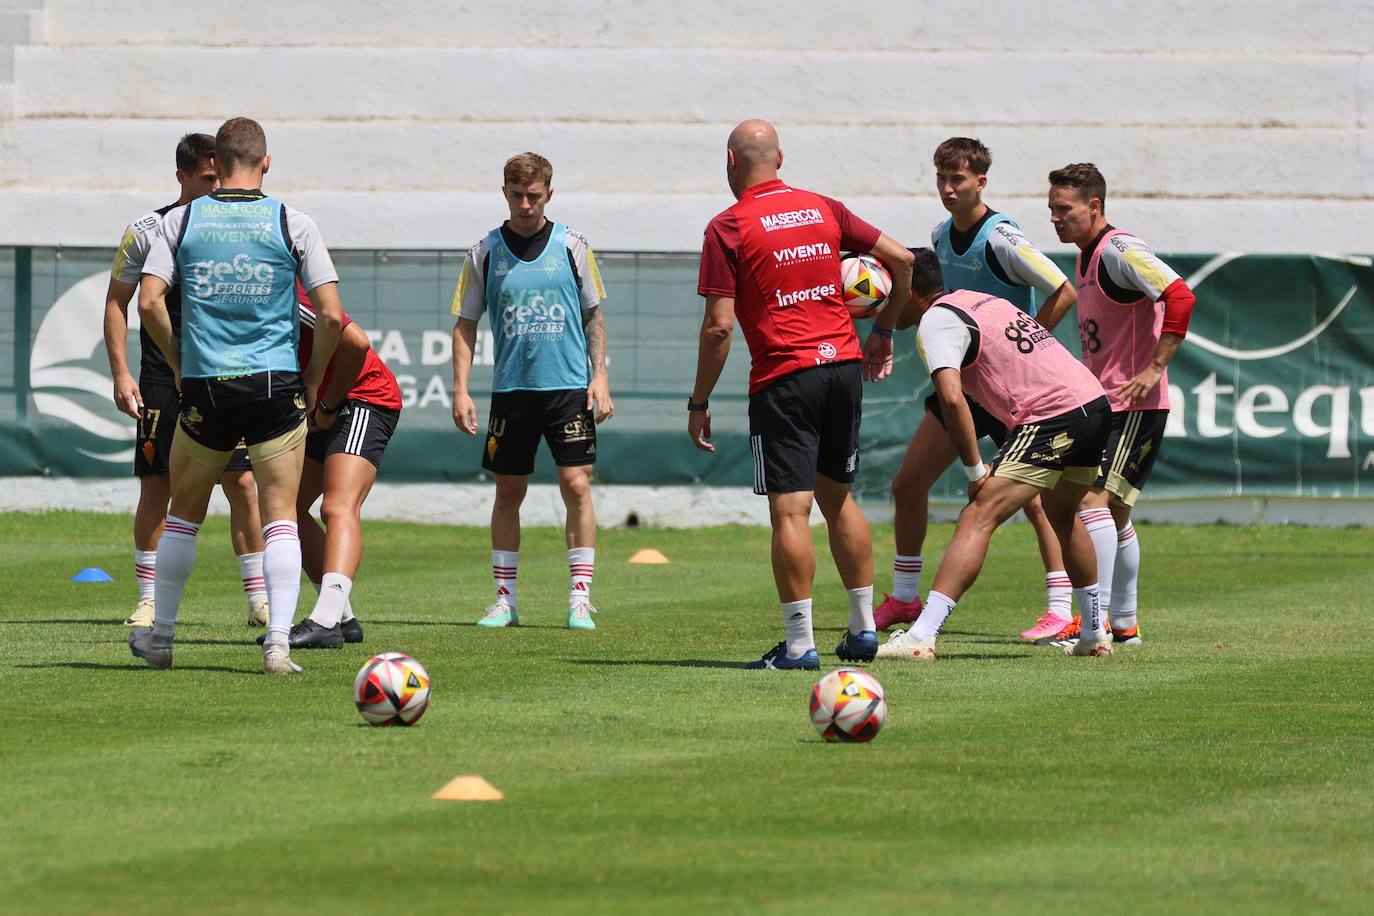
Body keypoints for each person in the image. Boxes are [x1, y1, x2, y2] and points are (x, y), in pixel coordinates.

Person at [691, 118, 914, 670]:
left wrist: (699, 401)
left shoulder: (728, 227)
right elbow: (905, 260)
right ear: (781, 158)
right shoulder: (825, 208)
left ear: (729, 161)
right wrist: (883, 330)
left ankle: (798, 646)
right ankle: (863, 633)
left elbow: (719, 328)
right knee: (838, 499)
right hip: (842, 366)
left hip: (784, 377)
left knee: (790, 513)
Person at [129, 117, 343, 675]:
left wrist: (179, 364)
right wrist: (316, 377)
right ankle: (276, 647)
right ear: (266, 163)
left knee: (183, 516)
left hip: (205, 387)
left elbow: (149, 303)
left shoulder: (180, 220)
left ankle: (162, 639)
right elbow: (331, 315)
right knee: (280, 520)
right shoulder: (292, 221)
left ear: (215, 166)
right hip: (275, 385)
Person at [869, 137, 1082, 642]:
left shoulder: (1001, 236)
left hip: (1009, 390)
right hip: (966, 386)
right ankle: (903, 597)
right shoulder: (942, 235)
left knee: (1035, 501)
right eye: (941, 178)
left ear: (981, 181)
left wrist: (1026, 348)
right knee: (907, 484)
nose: (947, 188)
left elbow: (1064, 289)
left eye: (958, 179)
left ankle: (1060, 608)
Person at [875, 250, 1115, 660]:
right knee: (1062, 512)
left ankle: (920, 637)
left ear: (910, 291)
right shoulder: (977, 299)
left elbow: (952, 401)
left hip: (1053, 415)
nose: (883, 303)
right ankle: (1094, 633)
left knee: (978, 513)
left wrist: (975, 472)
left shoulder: (936, 321)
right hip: (1094, 404)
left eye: (889, 291)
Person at [102, 132, 269, 630]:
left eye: (221, 177)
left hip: (220, 375)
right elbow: (117, 302)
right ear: (181, 176)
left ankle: (258, 600)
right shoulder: (148, 229)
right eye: (207, 179)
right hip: (161, 379)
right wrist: (120, 373)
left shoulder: (235, 229)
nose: (218, 187)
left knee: (241, 483)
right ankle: (150, 599)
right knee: (157, 486)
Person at [450, 152, 613, 630]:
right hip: (512, 392)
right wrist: (460, 389)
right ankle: (505, 600)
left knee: (577, 485)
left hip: (566, 390)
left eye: (534, 195)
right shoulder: (484, 251)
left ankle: (580, 598)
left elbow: (593, 316)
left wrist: (598, 374)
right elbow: (465, 325)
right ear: (504, 192)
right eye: (517, 195)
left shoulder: (573, 245)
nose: (525, 204)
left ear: (549, 194)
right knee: (508, 491)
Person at [1046, 163, 1196, 647]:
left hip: (1134, 405)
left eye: (1063, 209)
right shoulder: (1086, 255)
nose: (1055, 218)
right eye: (1051, 209)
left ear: (1094, 207)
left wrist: (1154, 368)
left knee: (1094, 503)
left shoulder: (1119, 249)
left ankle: (1101, 621)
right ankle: (1124, 623)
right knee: (1118, 512)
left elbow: (1180, 296)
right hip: (1105, 403)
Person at [259, 282, 403, 648]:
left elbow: (356, 342)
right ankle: (342, 617)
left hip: (362, 396)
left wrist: (328, 405)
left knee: (337, 506)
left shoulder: (282, 290)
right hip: (318, 404)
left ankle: (323, 620)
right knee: (285, 510)